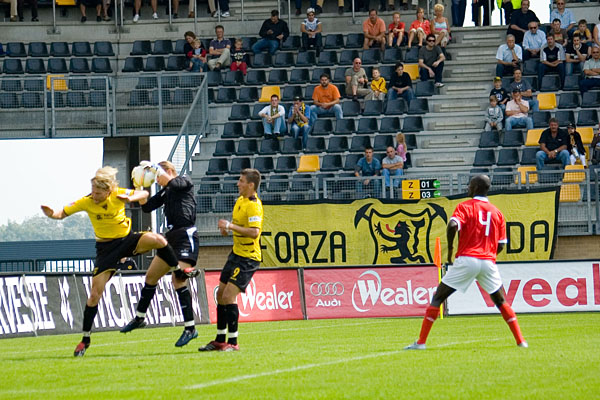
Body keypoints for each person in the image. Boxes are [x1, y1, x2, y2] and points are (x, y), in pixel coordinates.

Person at [41, 166, 184, 357]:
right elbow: (61, 213)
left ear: (108, 191)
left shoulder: (118, 194)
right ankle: (85, 340)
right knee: (94, 295)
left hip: (126, 240)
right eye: (93, 191)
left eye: (98, 193)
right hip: (106, 249)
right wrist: (51, 214)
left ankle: (178, 271)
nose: (94, 195)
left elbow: (144, 193)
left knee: (159, 240)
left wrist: (131, 198)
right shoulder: (86, 201)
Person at [404, 175, 528, 350]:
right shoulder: (497, 212)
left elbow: (452, 225)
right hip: (488, 261)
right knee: (501, 301)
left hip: (467, 258)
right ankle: (521, 341)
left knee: (438, 298)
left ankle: (421, 342)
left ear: (476, 188)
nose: (468, 188)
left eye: (470, 185)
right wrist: (488, 255)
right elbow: (501, 244)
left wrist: (450, 250)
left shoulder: (465, 206)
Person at [120, 161, 200, 347]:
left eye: (158, 177)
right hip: (170, 238)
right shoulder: (167, 190)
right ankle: (140, 318)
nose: (157, 181)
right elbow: (147, 207)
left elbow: (174, 183)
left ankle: (190, 328)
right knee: (151, 276)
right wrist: (139, 188)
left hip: (185, 235)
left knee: (178, 280)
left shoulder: (184, 181)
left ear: (169, 171)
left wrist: (155, 168)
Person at [198, 169, 263, 352]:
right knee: (220, 295)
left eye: (241, 181)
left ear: (251, 185)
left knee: (228, 296)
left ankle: (233, 342)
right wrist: (226, 229)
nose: (238, 184)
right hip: (235, 254)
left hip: (248, 258)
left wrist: (231, 226)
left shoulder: (254, 205)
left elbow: (254, 232)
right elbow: (237, 228)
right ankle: (220, 339)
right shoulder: (240, 201)